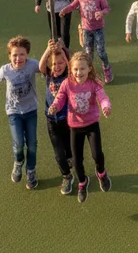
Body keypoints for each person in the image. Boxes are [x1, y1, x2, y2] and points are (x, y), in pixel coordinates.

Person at [48, 51, 112, 204]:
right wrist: (55, 106)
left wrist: (106, 106)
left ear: (89, 68)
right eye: (75, 69)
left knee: (97, 154)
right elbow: (60, 98)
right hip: (75, 127)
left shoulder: (93, 84)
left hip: (91, 125)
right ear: (71, 70)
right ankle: (82, 183)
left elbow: (102, 97)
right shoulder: (67, 83)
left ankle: (101, 173)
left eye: (82, 69)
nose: (79, 72)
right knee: (77, 160)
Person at [0, 35, 40, 190]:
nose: (18, 58)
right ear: (9, 56)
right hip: (14, 112)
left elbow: (45, 67)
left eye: (22, 54)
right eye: (14, 55)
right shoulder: (5, 70)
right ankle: (18, 161)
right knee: (18, 145)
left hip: (30, 111)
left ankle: (31, 171)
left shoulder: (32, 65)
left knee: (32, 144)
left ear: (27, 54)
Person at [60, 0, 113, 84]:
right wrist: (65, 10)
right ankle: (91, 73)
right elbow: (73, 5)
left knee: (101, 51)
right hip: (86, 29)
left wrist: (101, 12)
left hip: (98, 29)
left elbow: (107, 8)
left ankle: (107, 67)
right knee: (88, 54)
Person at [38, 39, 74, 195]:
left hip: (68, 119)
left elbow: (72, 64)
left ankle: (71, 157)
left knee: (69, 148)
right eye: (54, 64)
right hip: (52, 119)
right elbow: (41, 66)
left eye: (60, 63)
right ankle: (67, 176)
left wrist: (62, 49)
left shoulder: (69, 75)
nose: (57, 66)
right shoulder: (49, 75)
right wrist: (48, 50)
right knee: (58, 152)